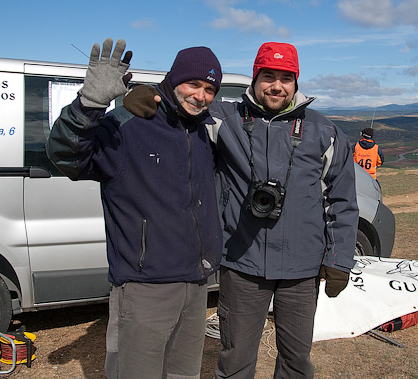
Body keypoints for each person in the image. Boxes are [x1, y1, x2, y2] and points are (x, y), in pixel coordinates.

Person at [124, 41, 358, 378]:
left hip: (302, 268)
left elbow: (342, 201)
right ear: (255, 78)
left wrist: (337, 261)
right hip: (242, 263)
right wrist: (150, 98)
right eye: (268, 75)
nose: (276, 85)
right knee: (235, 358)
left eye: (286, 78)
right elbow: (185, 103)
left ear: (295, 83)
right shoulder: (224, 118)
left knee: (296, 360)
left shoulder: (325, 132)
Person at [46, 38, 224, 379]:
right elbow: (66, 158)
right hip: (145, 286)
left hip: (197, 282)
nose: (201, 95)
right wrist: (89, 104)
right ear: (173, 80)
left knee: (184, 375)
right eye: (194, 84)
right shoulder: (128, 124)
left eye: (210, 89)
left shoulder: (204, 132)